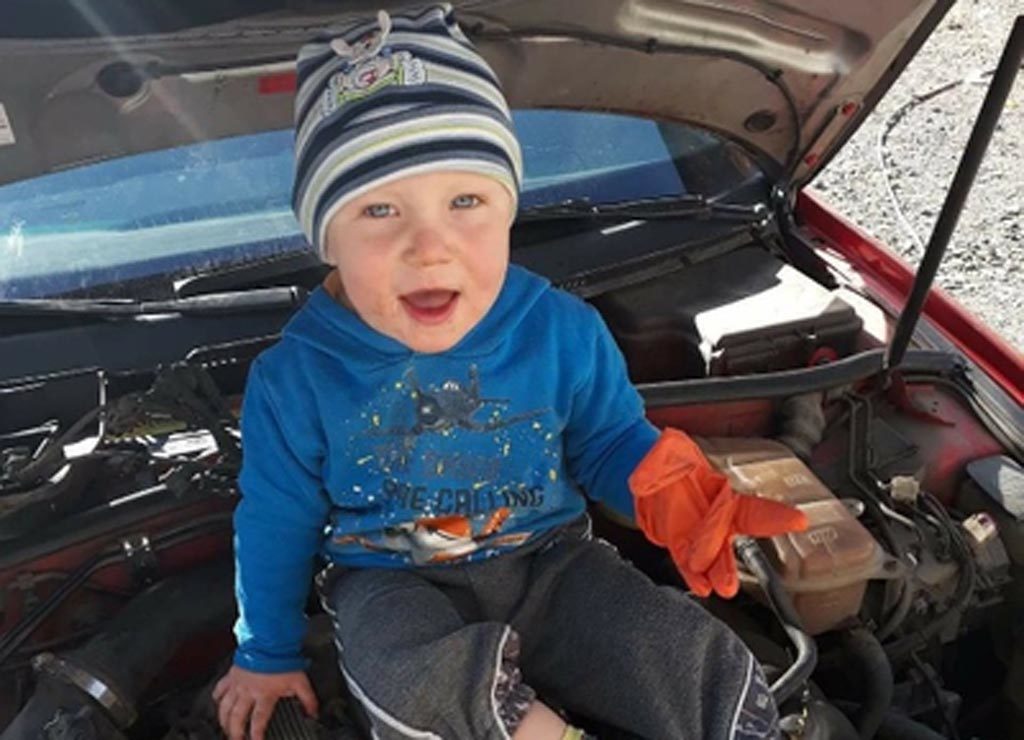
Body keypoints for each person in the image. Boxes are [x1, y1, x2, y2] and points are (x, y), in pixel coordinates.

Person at [212, 5, 806, 740]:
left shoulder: (561, 331)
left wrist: (666, 490)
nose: (429, 248)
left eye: (465, 201)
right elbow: (275, 523)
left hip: (551, 564)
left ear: (508, 210)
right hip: (391, 585)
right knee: (411, 674)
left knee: (684, 650)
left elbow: (607, 442)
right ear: (325, 236)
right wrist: (264, 652)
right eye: (379, 210)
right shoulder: (295, 380)